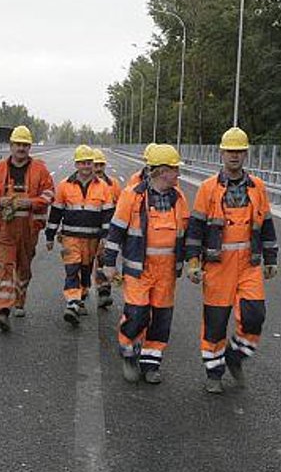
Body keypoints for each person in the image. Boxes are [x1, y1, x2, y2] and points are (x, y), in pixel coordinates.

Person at [184, 127, 279, 394]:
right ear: (222, 153)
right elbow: (196, 228)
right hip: (217, 265)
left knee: (254, 316)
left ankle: (234, 357)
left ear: (246, 154)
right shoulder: (208, 189)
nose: (234, 156)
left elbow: (267, 224)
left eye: (239, 152)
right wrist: (193, 261)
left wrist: (271, 257)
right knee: (215, 323)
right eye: (230, 151)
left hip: (249, 264)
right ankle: (214, 373)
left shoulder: (257, 187)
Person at [103, 144, 189, 385]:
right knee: (137, 315)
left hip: (166, 271)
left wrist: (191, 261)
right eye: (174, 169)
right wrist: (109, 263)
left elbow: (186, 231)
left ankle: (151, 363)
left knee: (161, 319)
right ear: (162, 171)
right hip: (138, 270)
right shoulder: (133, 195)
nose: (177, 174)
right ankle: (129, 354)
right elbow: (116, 230)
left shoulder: (178, 197)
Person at [0, 125, 54, 331]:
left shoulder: (40, 170)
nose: (21, 148)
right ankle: (2, 310)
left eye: (24, 145)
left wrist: (31, 203)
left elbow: (50, 194)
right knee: (5, 267)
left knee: (23, 268)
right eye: (17, 144)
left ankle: (19, 299)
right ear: (11, 146)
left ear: (29, 147)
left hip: (29, 229)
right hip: (4, 228)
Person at [45, 145, 115, 325]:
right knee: (72, 269)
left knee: (85, 270)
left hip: (92, 239)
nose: (86, 166)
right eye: (82, 163)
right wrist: (50, 236)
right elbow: (56, 213)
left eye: (89, 163)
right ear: (76, 164)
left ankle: (81, 296)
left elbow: (108, 215)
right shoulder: (64, 186)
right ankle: (72, 303)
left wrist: (107, 238)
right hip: (70, 238)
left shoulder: (104, 188)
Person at [91, 148, 121, 308]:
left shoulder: (114, 184)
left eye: (101, 164)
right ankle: (79, 295)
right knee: (84, 262)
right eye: (95, 165)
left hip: (108, 230)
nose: (98, 168)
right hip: (89, 230)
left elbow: (121, 206)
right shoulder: (88, 184)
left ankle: (103, 291)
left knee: (104, 259)